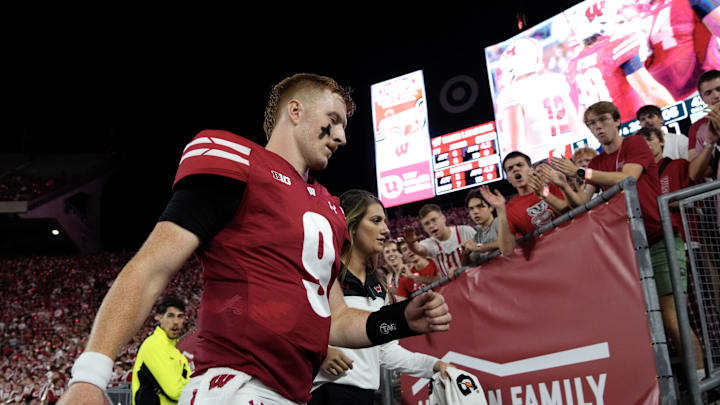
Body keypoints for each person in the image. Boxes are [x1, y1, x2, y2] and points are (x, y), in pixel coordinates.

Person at [58, 73, 451, 405]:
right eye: (333, 119)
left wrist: (397, 320)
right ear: (295, 111)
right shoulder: (239, 161)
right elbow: (152, 267)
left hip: (292, 393)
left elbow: (337, 321)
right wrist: (91, 374)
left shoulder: (330, 208)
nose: (342, 136)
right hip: (235, 387)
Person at [551, 101, 704, 376]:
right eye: (592, 124)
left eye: (602, 121)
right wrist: (558, 187)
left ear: (617, 120)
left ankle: (703, 383)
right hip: (629, 248)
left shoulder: (634, 144)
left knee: (673, 319)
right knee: (644, 325)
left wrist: (579, 172)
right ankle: (673, 383)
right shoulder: (597, 162)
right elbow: (579, 204)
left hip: (659, 238)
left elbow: (628, 178)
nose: (598, 128)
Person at [309, 189, 450, 405]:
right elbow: (288, 324)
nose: (385, 230)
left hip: (365, 396)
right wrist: (321, 351)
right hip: (323, 393)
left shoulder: (379, 286)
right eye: (376, 220)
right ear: (352, 226)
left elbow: (386, 351)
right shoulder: (323, 272)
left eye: (385, 221)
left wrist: (434, 365)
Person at [479, 152, 568, 256]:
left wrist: (544, 193)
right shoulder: (509, 209)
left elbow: (570, 211)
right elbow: (507, 250)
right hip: (547, 257)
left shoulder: (552, 186)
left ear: (531, 169)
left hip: (570, 243)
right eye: (510, 169)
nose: (515, 169)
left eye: (520, 165)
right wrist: (500, 210)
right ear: (508, 178)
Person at [131, 296, 191, 405]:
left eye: (180, 316)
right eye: (170, 316)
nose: (176, 322)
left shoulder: (177, 353)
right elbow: (175, 391)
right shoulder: (154, 344)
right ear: (159, 318)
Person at [403, 204, 476, 277]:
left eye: (434, 220)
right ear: (424, 228)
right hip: (453, 287)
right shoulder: (429, 243)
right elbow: (418, 249)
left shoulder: (465, 231)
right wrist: (411, 243)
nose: (431, 225)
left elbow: (482, 248)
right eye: (427, 223)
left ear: (443, 218)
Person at [463, 188, 499, 264]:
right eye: (471, 209)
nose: (475, 212)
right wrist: (465, 254)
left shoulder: (498, 222)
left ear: (491, 207)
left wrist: (477, 247)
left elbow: (505, 242)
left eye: (480, 206)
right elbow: (471, 261)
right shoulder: (478, 235)